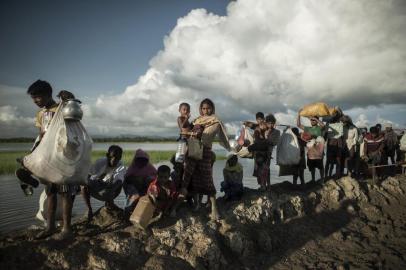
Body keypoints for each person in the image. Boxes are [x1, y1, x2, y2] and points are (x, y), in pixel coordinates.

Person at [15, 80, 77, 240]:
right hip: (48, 157)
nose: (35, 101)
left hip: (63, 156)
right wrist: (32, 155)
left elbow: (75, 118)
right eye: (33, 98)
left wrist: (70, 99)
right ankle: (50, 227)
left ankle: (67, 229)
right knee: (50, 191)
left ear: (48, 94)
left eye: (38, 97)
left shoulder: (61, 108)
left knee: (65, 192)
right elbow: (42, 136)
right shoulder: (41, 114)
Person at [181, 98, 230, 220]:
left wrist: (234, 146)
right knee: (192, 176)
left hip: (206, 151)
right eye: (203, 108)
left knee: (207, 178)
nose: (206, 110)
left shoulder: (216, 122)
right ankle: (197, 204)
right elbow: (185, 130)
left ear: (212, 108)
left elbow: (219, 137)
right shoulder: (196, 121)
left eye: (208, 108)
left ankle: (214, 208)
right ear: (200, 109)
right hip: (193, 148)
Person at [81, 145, 126, 222]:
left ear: (120, 158)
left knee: (120, 182)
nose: (114, 160)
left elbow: (118, 182)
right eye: (112, 157)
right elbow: (89, 174)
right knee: (82, 184)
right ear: (107, 155)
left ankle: (110, 203)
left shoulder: (121, 166)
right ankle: (89, 209)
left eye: (117, 158)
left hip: (110, 189)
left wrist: (110, 189)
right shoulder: (100, 162)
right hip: (98, 185)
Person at [248, 114, 280, 191]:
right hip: (259, 152)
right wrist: (247, 124)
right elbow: (253, 126)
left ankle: (267, 185)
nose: (271, 125)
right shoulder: (262, 128)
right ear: (266, 123)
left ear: (274, 123)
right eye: (269, 123)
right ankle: (262, 185)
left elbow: (274, 142)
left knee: (266, 169)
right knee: (259, 170)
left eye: (272, 123)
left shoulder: (276, 132)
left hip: (268, 153)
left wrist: (266, 138)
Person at [123, 149, 157, 217]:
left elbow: (156, 177)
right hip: (132, 187)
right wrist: (136, 180)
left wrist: (145, 180)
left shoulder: (149, 167)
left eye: (144, 161)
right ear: (135, 160)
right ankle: (127, 211)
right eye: (139, 160)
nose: (141, 163)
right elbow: (126, 179)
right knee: (133, 198)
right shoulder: (132, 168)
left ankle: (143, 212)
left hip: (144, 187)